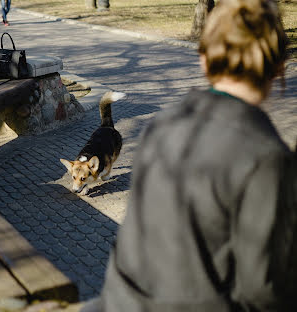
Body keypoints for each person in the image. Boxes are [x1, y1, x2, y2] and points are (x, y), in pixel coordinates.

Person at [82, 0, 296, 311]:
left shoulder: (162, 126)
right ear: (278, 70)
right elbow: (264, 292)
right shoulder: (268, 159)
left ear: (205, 61)